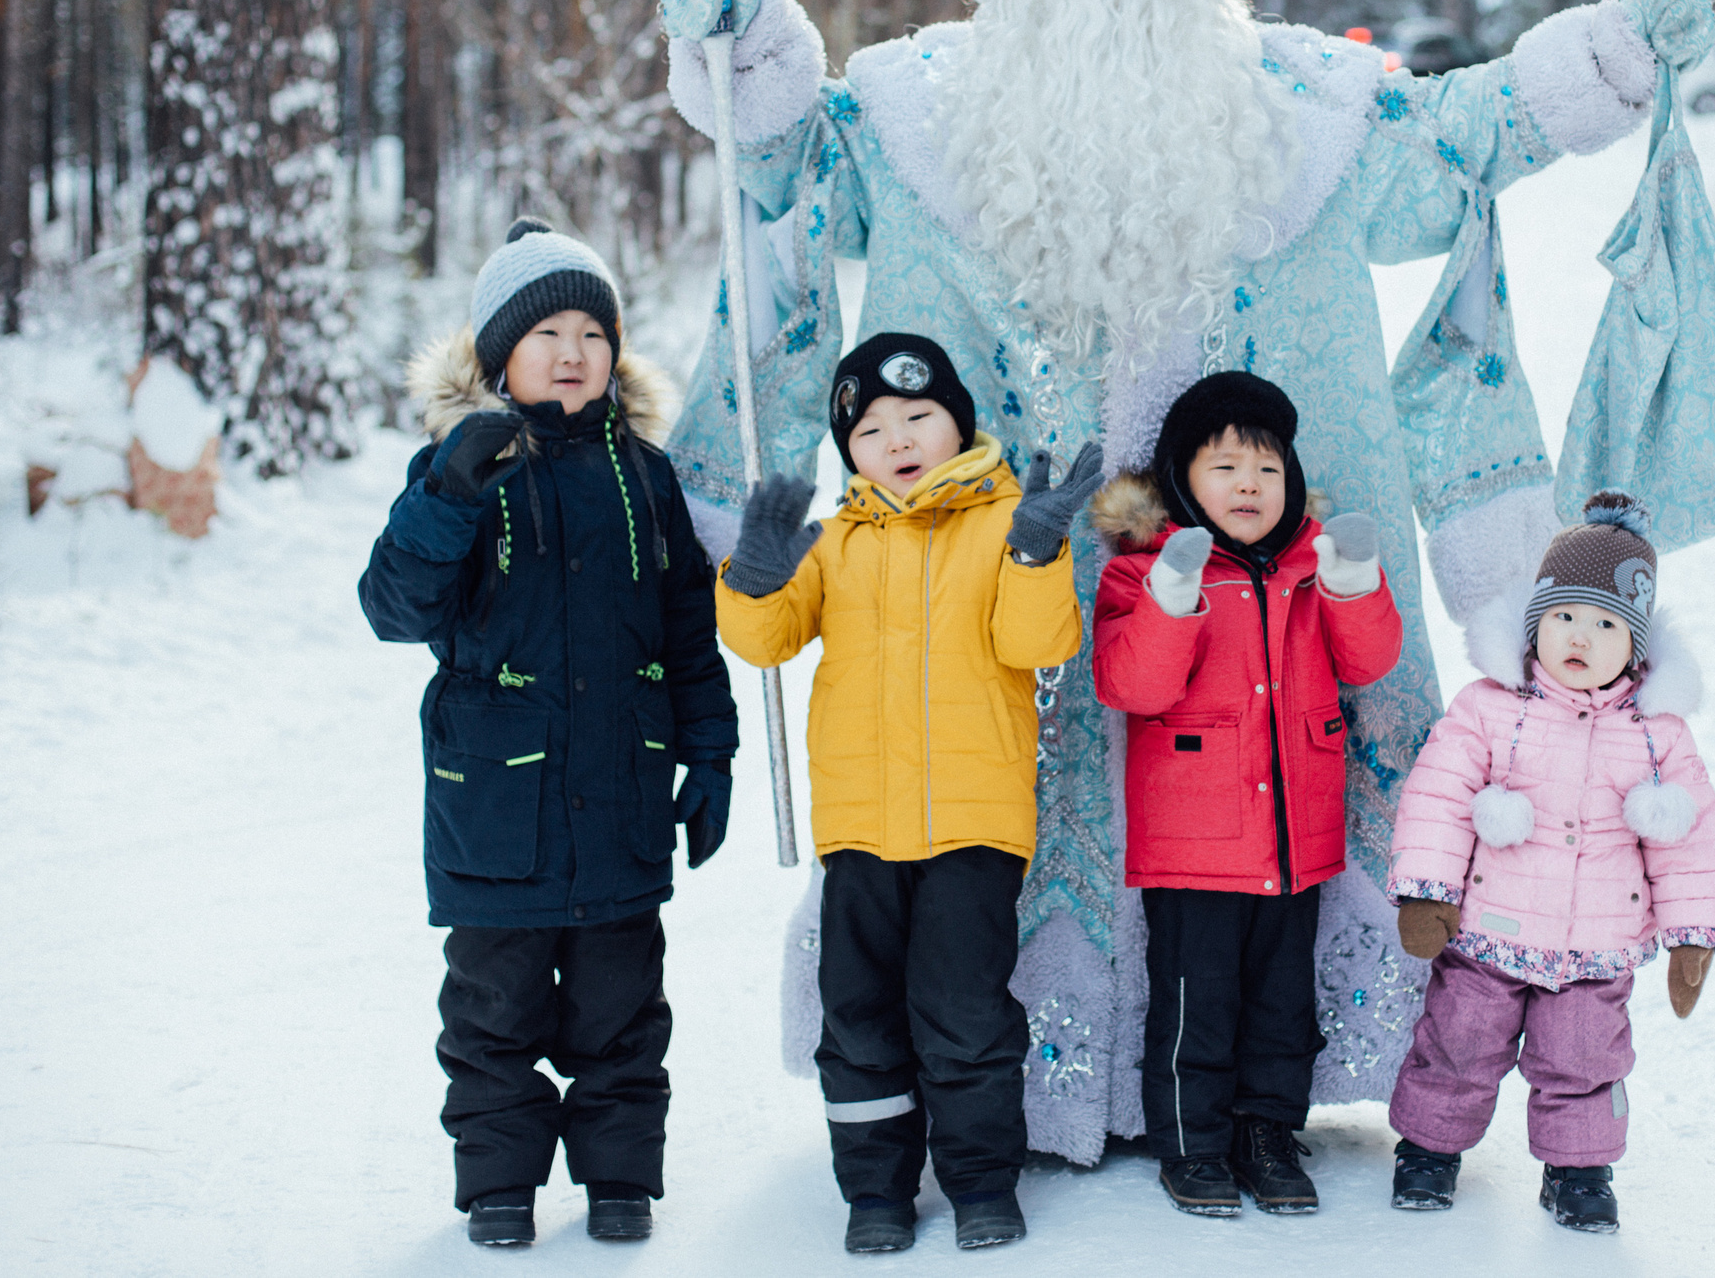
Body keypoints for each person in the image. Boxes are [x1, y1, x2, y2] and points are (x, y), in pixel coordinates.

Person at [652, 0, 1715, 1158]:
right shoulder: (917, 111)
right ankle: (1011, 1086)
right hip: (1008, 594)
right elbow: (785, 162)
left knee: (1255, 834)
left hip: (1252, 599)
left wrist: (1617, 46)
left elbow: (1469, 130)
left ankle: (1244, 1093)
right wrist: (737, 32)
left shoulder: (1303, 109)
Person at [357, 217, 739, 1248]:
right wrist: (444, 495)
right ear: (498, 355)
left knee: (623, 1011)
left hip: (619, 798)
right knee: (492, 1015)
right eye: (547, 334)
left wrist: (711, 754)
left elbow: (688, 638)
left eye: (592, 332)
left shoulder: (646, 478)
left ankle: (620, 1179)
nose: (573, 353)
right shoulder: (456, 468)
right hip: (496, 812)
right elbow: (395, 610)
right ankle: (498, 1185)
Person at [714, 332, 1105, 1254]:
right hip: (860, 827)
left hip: (974, 823)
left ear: (958, 424)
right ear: (848, 449)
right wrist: (757, 575)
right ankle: (876, 1191)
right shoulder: (835, 542)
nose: (897, 439)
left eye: (919, 416)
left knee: (964, 1010)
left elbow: (1038, 645)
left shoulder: (1004, 520)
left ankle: (978, 1181)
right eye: (872, 427)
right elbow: (765, 641)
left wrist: (1037, 552)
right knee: (857, 1016)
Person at [1090, 373, 1404, 1217]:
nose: (1248, 486)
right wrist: (1173, 596)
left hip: (1293, 836)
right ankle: (1191, 1145)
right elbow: (1132, 683)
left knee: (1279, 1003)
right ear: (1181, 480)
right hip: (1195, 846)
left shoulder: (1312, 567)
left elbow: (1369, 662)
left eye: (1267, 469)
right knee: (1196, 1003)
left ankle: (1267, 1131)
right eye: (1225, 467)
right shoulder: (1141, 572)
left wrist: (1353, 582)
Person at [1383, 492, 1715, 1234]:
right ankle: (1428, 1149)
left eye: (1606, 624)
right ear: (1536, 620)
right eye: (1565, 616)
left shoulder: (1656, 736)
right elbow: (1439, 795)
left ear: (1634, 646)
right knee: (1458, 1042)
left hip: (1595, 945)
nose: (1580, 636)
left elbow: (1688, 841)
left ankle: (1579, 1169)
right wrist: (1427, 891)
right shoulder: (1488, 708)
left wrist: (1692, 936)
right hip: (1486, 932)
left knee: (1585, 1059)